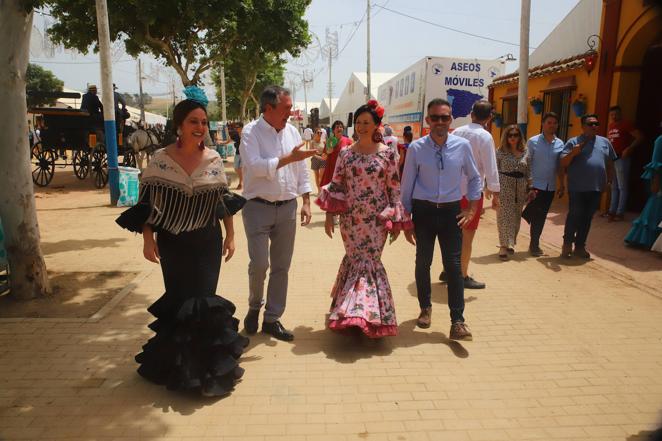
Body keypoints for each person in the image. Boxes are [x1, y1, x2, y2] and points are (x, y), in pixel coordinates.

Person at [115, 87, 248, 397]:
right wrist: (147, 240)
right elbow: (148, 204)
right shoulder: (160, 161)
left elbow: (221, 200)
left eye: (203, 122)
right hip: (173, 243)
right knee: (179, 301)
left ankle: (204, 370)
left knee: (203, 302)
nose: (200, 128)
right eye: (193, 122)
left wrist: (230, 235)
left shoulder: (214, 158)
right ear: (179, 125)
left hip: (207, 242)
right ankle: (179, 367)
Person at [316, 100, 412, 338]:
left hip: (376, 221)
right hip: (350, 219)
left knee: (369, 262)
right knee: (354, 259)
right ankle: (352, 314)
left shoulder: (388, 154)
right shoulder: (346, 154)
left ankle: (366, 316)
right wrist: (330, 216)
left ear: (377, 125)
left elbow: (394, 189)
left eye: (366, 122)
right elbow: (337, 184)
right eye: (358, 122)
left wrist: (396, 220)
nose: (361, 127)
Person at [240, 85, 317, 342]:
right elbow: (256, 167)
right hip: (257, 208)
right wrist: (288, 158)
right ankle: (254, 306)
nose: (290, 113)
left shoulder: (292, 131)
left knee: (281, 267)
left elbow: (302, 170)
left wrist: (306, 201)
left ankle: (272, 319)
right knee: (260, 264)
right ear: (268, 108)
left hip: (287, 209)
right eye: (285, 108)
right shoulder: (251, 133)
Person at [401, 98, 481, 340]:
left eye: (444, 118)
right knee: (423, 262)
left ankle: (458, 321)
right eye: (435, 117)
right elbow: (407, 187)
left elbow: (475, 178)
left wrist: (471, 209)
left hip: (451, 213)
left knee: (454, 267)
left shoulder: (462, 146)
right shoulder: (416, 149)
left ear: (451, 120)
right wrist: (406, 219)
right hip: (423, 212)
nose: (439, 122)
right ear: (427, 120)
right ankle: (425, 308)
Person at [439, 100, 500, 289]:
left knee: (451, 234)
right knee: (467, 237)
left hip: (452, 191)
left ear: (472, 114)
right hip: (471, 193)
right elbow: (491, 167)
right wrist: (495, 191)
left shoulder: (456, 132)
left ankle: (447, 270)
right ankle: (462, 275)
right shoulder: (485, 137)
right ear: (489, 118)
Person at [560, 114, 616, 259]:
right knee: (574, 216)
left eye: (596, 124)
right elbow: (563, 163)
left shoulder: (605, 142)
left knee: (587, 218)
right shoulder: (573, 142)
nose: (594, 126)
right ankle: (567, 245)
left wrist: (609, 183)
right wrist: (573, 153)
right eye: (590, 124)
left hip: (596, 188)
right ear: (583, 126)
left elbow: (610, 165)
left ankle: (580, 247)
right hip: (577, 188)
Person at [522, 112, 566, 256]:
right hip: (535, 185)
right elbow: (527, 163)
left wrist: (561, 184)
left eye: (554, 123)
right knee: (536, 214)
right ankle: (534, 244)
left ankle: (534, 243)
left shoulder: (560, 143)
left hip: (550, 186)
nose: (552, 125)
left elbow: (560, 166)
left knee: (540, 215)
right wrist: (527, 184)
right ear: (543, 124)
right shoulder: (533, 141)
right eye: (549, 122)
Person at [495, 125, 532, 260]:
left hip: (520, 186)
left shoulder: (525, 151)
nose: (513, 137)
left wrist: (531, 187)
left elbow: (528, 170)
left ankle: (511, 241)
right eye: (510, 135)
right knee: (504, 215)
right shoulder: (500, 151)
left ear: (519, 136)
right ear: (506, 137)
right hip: (504, 184)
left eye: (515, 135)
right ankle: (503, 246)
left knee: (516, 215)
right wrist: (491, 188)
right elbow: (494, 170)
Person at [625, 130, 662, 248]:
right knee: (655, 207)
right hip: (660, 180)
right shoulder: (660, 140)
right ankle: (643, 239)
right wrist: (656, 181)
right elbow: (655, 162)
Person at [607, 105, 643, 221]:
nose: (614, 116)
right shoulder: (611, 126)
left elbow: (639, 137)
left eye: (616, 114)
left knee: (622, 186)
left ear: (620, 114)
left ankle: (620, 212)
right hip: (613, 159)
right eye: (612, 114)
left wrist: (629, 148)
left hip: (622, 159)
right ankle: (612, 211)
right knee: (614, 187)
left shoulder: (626, 124)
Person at [320, 120, 352, 187]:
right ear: (333, 130)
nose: (339, 128)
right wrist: (328, 152)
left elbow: (353, 154)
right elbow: (323, 157)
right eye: (337, 127)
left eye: (341, 127)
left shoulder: (348, 141)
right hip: (331, 169)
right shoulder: (329, 141)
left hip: (342, 170)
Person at [310, 128, 327, 193]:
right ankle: (319, 190)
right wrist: (318, 157)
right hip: (315, 159)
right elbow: (311, 152)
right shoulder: (312, 142)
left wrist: (325, 155)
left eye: (321, 133)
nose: (320, 134)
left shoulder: (323, 141)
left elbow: (326, 150)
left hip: (323, 159)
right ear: (314, 133)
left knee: (321, 176)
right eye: (318, 132)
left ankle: (321, 189)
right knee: (316, 176)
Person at [230, 122, 244, 189]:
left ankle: (240, 183)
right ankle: (242, 180)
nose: (236, 128)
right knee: (236, 168)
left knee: (240, 169)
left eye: (238, 127)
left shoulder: (245, 134)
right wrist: (221, 142)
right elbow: (229, 140)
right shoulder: (235, 134)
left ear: (241, 127)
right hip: (237, 153)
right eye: (236, 127)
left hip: (244, 154)